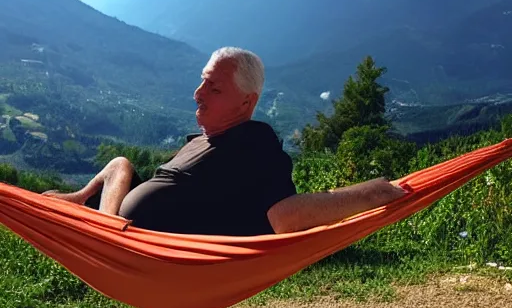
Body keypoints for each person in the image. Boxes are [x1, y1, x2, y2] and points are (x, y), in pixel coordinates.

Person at [43, 47, 406, 235]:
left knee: (120, 166)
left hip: (132, 246)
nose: (198, 93)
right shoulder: (201, 139)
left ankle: (97, 224)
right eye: (202, 81)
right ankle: (81, 202)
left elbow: (284, 215)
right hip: (119, 228)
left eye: (214, 88)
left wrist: (369, 194)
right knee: (120, 163)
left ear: (247, 101)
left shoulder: (254, 141)